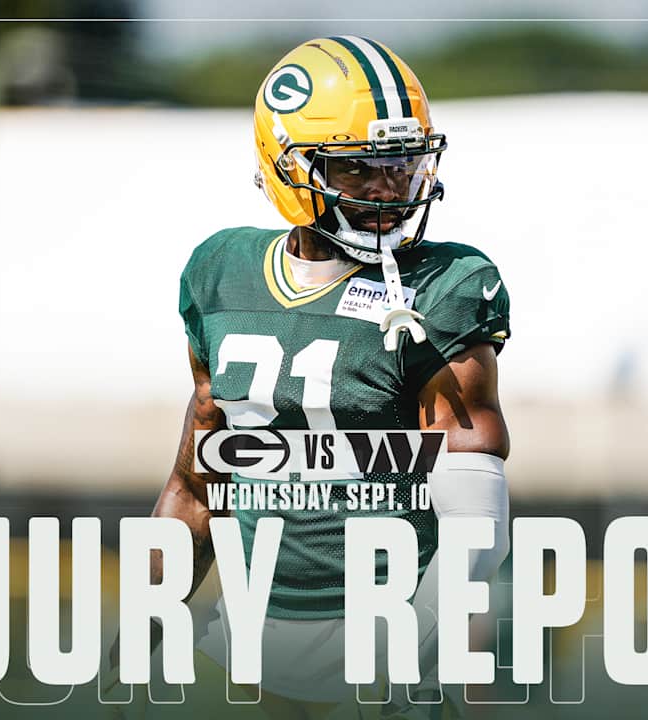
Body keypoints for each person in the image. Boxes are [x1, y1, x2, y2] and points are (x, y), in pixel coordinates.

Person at [111, 35, 513, 719]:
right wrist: (131, 649)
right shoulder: (220, 273)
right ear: (289, 166)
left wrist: (407, 661)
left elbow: (477, 520)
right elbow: (196, 490)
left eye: (402, 163)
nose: (388, 188)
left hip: (382, 646)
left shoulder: (443, 285)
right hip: (240, 648)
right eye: (358, 169)